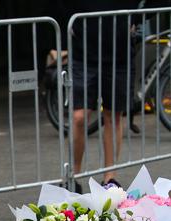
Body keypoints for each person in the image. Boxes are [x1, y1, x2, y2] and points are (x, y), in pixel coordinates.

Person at [67, 1, 140, 191]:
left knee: (113, 115)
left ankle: (110, 178)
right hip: (83, 52)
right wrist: (66, 21)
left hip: (119, 53)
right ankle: (73, 177)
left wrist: (136, 18)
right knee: (79, 116)